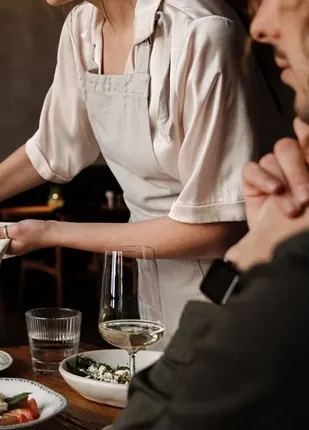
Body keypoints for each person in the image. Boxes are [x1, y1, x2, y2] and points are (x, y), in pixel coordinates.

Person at [0, 0, 287, 344]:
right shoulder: (83, 26)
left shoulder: (201, 30)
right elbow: (53, 150)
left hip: (240, 281)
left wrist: (50, 233)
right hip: (153, 276)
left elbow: (216, 227)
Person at [113, 0, 309, 427]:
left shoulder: (292, 289)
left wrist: (245, 258)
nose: (259, 27)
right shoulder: (82, 31)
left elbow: (144, 420)